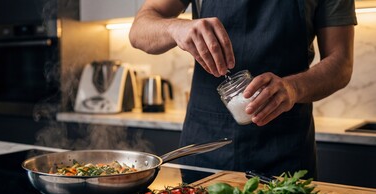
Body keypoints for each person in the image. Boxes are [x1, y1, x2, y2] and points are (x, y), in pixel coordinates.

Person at [129, 0, 357, 178]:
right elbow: (139, 30)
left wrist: (293, 88)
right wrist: (175, 28)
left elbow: (341, 63)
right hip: (206, 150)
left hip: (286, 153)